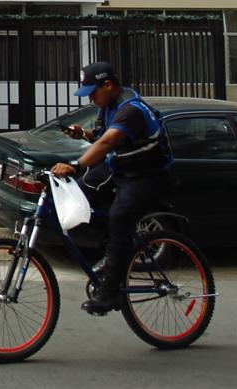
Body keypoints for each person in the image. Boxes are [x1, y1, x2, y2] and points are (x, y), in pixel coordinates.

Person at [50, 61, 173, 316]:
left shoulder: (132, 110)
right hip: (120, 168)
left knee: (119, 217)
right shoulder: (108, 107)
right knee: (79, 199)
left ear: (108, 85)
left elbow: (109, 141)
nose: (91, 99)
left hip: (146, 176)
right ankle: (113, 250)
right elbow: (101, 135)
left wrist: (76, 164)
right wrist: (83, 134)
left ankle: (110, 292)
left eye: (93, 92)